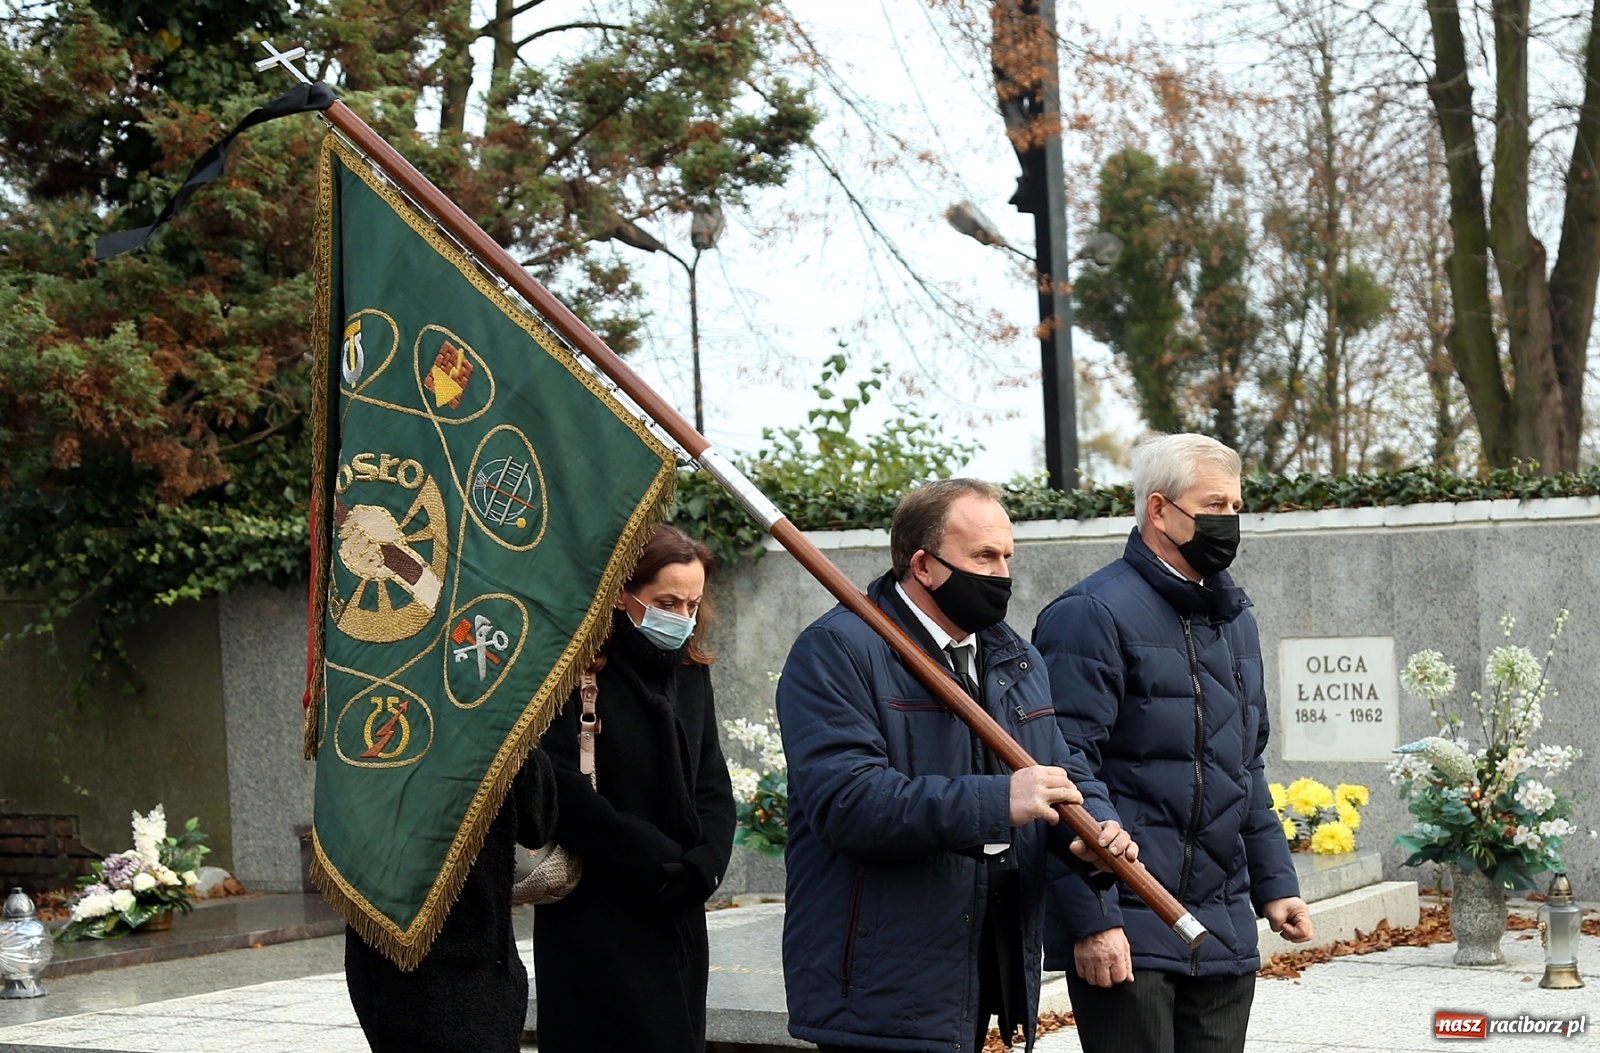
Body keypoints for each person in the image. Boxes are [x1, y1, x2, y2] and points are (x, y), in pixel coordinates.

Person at [777, 478, 1136, 1053]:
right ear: (923, 565)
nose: (1001, 574)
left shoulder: (1012, 654)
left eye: (1007, 557)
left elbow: (1060, 767)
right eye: (984, 557)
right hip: (881, 982)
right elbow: (846, 802)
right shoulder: (839, 649)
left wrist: (1095, 829)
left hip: (981, 967)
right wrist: (999, 802)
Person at [1032, 433, 1313, 1053]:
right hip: (1130, 924)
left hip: (1223, 931)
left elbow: (1244, 762)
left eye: (1237, 509)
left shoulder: (1235, 617)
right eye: (1215, 506)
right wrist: (1093, 919)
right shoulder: (1089, 614)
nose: (1229, 523)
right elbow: (1060, 770)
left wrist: (1275, 883)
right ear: (1159, 511)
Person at [533, 524, 736, 1053]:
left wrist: (705, 862)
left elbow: (711, 778)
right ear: (622, 594)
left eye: (692, 604)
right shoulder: (570, 668)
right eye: (667, 601)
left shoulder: (689, 670)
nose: (683, 618)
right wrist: (650, 855)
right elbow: (558, 785)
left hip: (680, 901)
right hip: (598, 908)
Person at [345, 751, 557, 1052]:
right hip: (472, 955)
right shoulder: (495, 715)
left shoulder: (357, 712)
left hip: (379, 950)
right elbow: (537, 823)